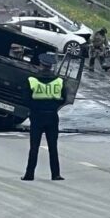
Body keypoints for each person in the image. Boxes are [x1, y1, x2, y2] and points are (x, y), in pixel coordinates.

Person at [21, 53, 67, 182]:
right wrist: (53, 106)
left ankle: (29, 174)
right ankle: (56, 174)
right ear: (51, 66)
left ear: (40, 65)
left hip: (36, 116)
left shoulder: (31, 80)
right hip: (52, 116)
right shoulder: (59, 81)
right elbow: (63, 98)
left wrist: (34, 107)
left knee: (34, 146)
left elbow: (25, 98)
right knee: (53, 146)